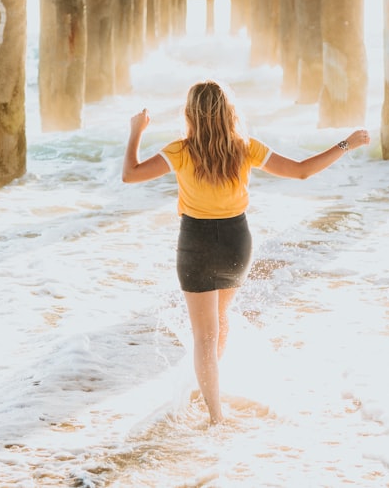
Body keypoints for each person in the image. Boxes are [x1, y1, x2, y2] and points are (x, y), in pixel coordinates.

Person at [121, 80, 370, 425]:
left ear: (190, 114)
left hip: (196, 242)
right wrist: (346, 144)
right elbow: (300, 172)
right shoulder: (245, 148)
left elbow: (130, 175)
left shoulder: (180, 151)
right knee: (220, 323)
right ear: (228, 112)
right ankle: (211, 389)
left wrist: (136, 131)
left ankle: (215, 414)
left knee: (204, 336)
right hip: (237, 243)